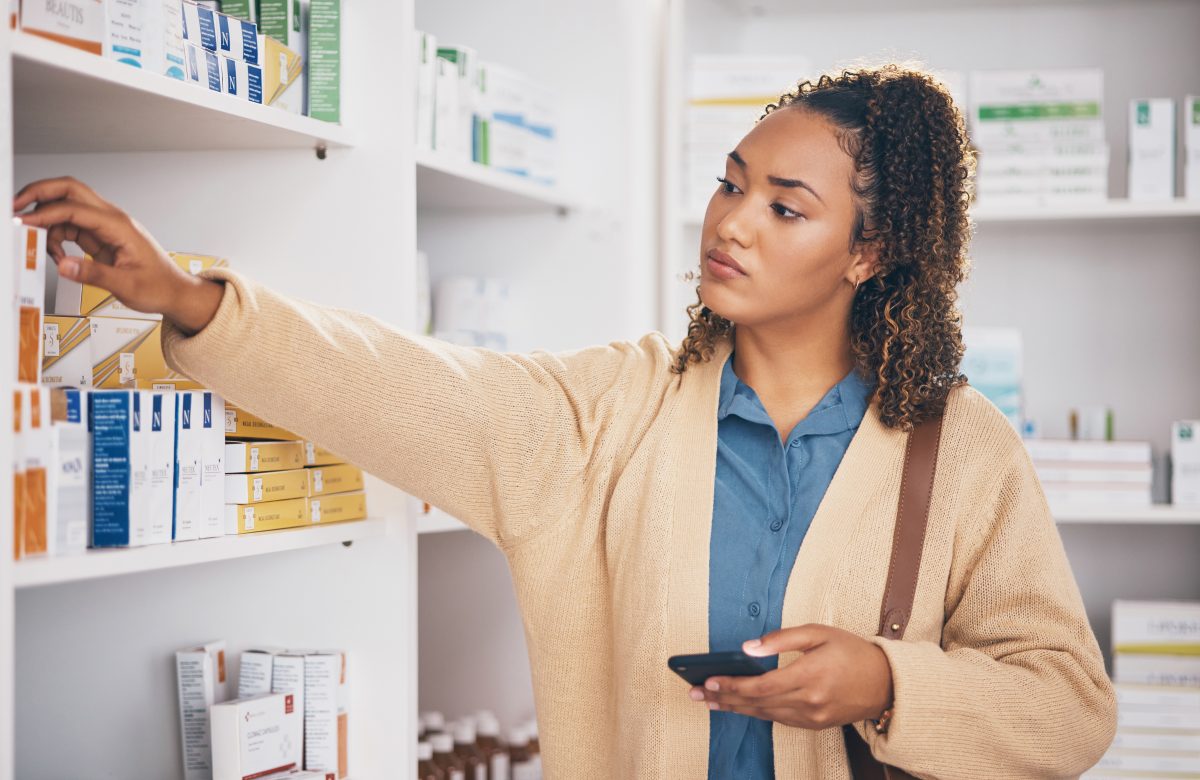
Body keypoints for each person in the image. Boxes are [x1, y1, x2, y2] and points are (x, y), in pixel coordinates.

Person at [15, 64, 1116, 779]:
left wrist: (885, 682)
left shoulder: (961, 449)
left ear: (868, 255)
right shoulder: (612, 412)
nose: (729, 223)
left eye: (785, 207)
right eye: (731, 185)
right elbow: (405, 386)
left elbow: (1069, 710)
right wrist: (191, 299)